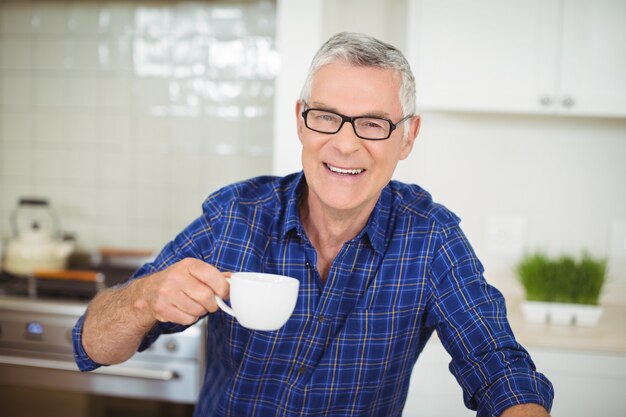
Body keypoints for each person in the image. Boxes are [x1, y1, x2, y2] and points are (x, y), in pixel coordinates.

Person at [73, 32, 553, 417]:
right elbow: (91, 344)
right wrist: (143, 298)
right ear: (302, 121)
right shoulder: (235, 216)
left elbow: (497, 365)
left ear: (407, 137)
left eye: (372, 123)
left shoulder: (431, 238)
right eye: (327, 117)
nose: (345, 145)